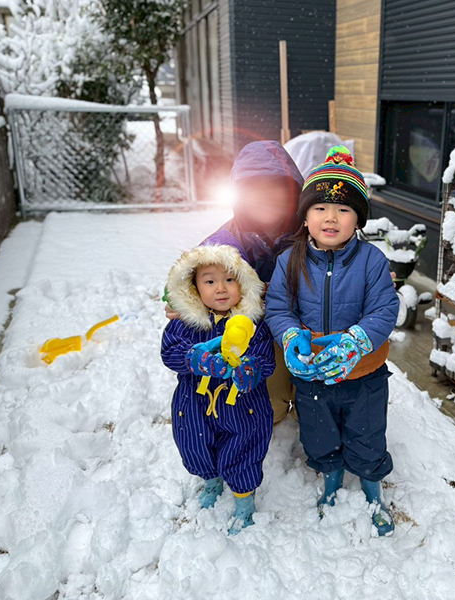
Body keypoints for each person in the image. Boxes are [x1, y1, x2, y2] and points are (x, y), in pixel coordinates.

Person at [264, 146, 400, 536]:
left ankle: (373, 490)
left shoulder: (372, 261)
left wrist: (356, 340)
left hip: (363, 373)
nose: (331, 217)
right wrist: (290, 336)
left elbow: (384, 310)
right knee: (319, 432)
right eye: (320, 208)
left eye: (343, 210)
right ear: (305, 217)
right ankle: (331, 480)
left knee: (367, 433)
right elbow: (278, 308)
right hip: (312, 373)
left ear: (358, 220)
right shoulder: (288, 260)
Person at [166, 141, 303, 424]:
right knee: (272, 410)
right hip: (259, 337)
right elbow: (189, 280)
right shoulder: (224, 243)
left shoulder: (313, 231)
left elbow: (350, 261)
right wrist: (183, 300)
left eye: (275, 186)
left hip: (309, 330)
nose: (264, 197)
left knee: (313, 409)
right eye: (253, 188)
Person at [161, 240, 275, 535]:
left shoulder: (252, 323)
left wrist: (250, 369)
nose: (221, 289)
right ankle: (210, 480)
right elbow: (169, 351)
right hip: (194, 404)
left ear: (245, 283)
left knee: (244, 448)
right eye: (209, 281)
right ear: (194, 288)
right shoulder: (186, 323)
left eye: (229, 280)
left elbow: (266, 359)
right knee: (194, 444)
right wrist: (194, 358)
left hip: (243, 406)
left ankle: (243, 499)